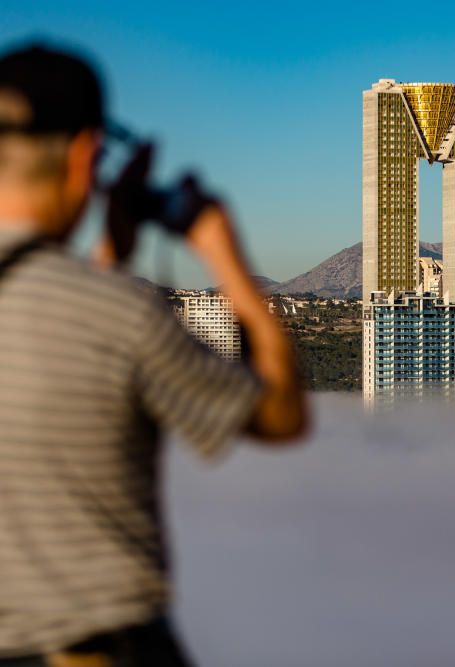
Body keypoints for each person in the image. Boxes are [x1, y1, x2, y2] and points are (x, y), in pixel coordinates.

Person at [0, 43, 308, 665]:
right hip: (100, 645)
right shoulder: (120, 315)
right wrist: (224, 255)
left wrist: (110, 254)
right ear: (87, 154)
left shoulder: (98, 309)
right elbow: (280, 417)